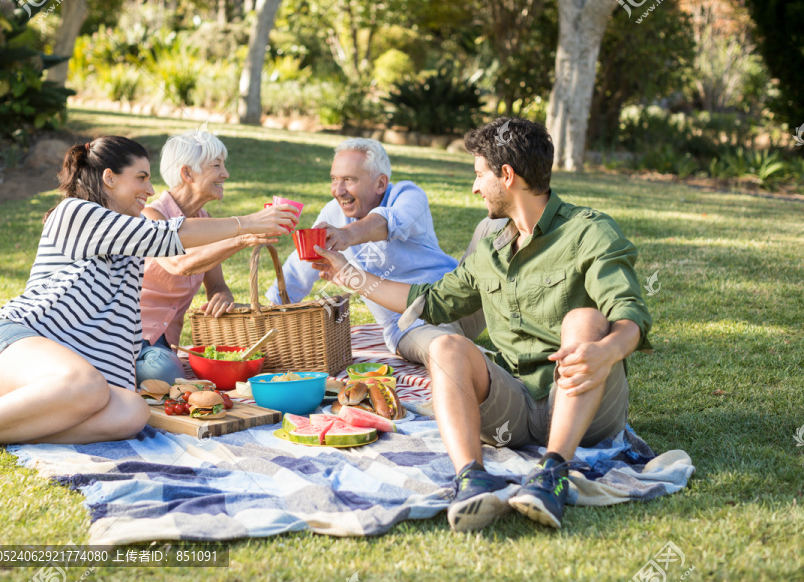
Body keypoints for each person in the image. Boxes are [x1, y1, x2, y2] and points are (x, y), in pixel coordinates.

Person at [310, 118, 652, 532]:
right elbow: (429, 300)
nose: (474, 188)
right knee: (445, 347)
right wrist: (348, 275)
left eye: (478, 175)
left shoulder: (589, 231)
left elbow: (629, 313)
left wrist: (606, 350)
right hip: (517, 410)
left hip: (589, 408)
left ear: (506, 176)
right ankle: (472, 479)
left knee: (585, 319)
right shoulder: (491, 248)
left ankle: (552, 473)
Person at [0, 136, 297, 471]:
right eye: (140, 178)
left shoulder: (127, 252)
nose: (148, 189)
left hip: (63, 382)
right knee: (89, 385)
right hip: (16, 345)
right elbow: (166, 236)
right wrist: (248, 223)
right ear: (109, 178)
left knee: (131, 410)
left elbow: (121, 340)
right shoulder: (75, 212)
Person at [265, 137, 506, 365]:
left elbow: (388, 222)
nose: (338, 190)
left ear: (381, 183)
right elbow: (299, 269)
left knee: (496, 224)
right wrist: (268, 314)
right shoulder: (332, 213)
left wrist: (345, 234)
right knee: (449, 352)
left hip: (460, 299)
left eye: (349, 180)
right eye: (334, 179)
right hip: (410, 325)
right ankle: (487, 364)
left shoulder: (408, 195)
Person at [135, 131, 277, 385]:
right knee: (165, 375)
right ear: (187, 173)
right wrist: (242, 237)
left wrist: (222, 295)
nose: (225, 174)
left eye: (224, 164)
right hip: (133, 337)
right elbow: (179, 263)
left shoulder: (204, 219)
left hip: (166, 344)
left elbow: (216, 284)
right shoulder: (151, 216)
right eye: (216, 165)